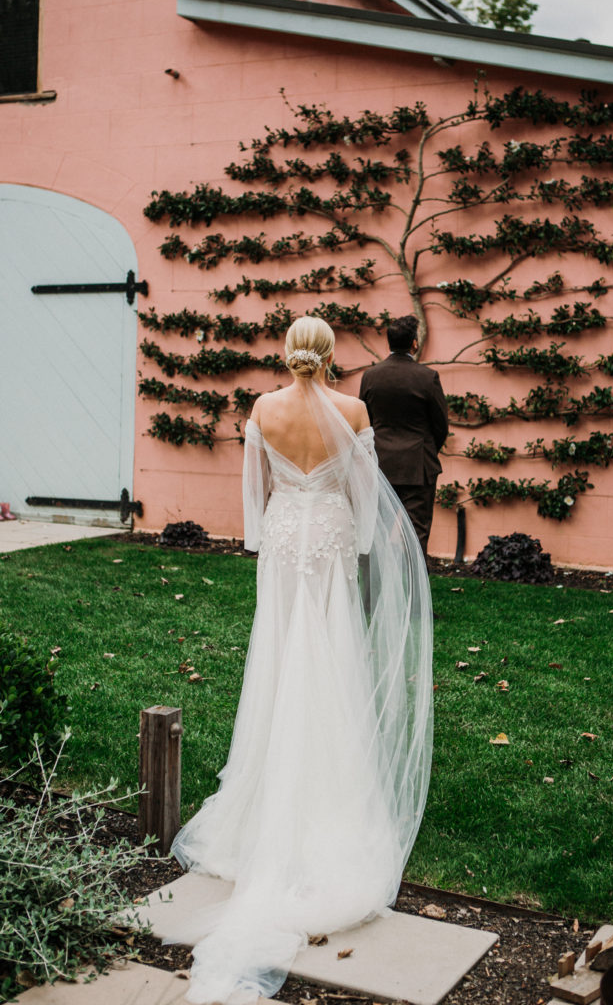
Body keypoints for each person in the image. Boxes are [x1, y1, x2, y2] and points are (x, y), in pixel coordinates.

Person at [168, 316, 434, 1005]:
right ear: (330, 354)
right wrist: (355, 541)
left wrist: (263, 535)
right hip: (333, 535)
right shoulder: (352, 409)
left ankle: (268, 787)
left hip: (286, 535)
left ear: (287, 352)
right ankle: (326, 778)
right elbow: (364, 491)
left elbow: (253, 487)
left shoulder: (262, 408)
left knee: (282, 648)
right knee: (332, 646)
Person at [359, 315, 449, 560]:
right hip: (418, 468)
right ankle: (414, 596)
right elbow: (440, 425)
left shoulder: (370, 376)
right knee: (417, 536)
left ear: (389, 343)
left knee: (378, 534)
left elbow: (364, 422)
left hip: (381, 467)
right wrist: (425, 450)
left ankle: (375, 594)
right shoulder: (427, 377)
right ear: (414, 343)